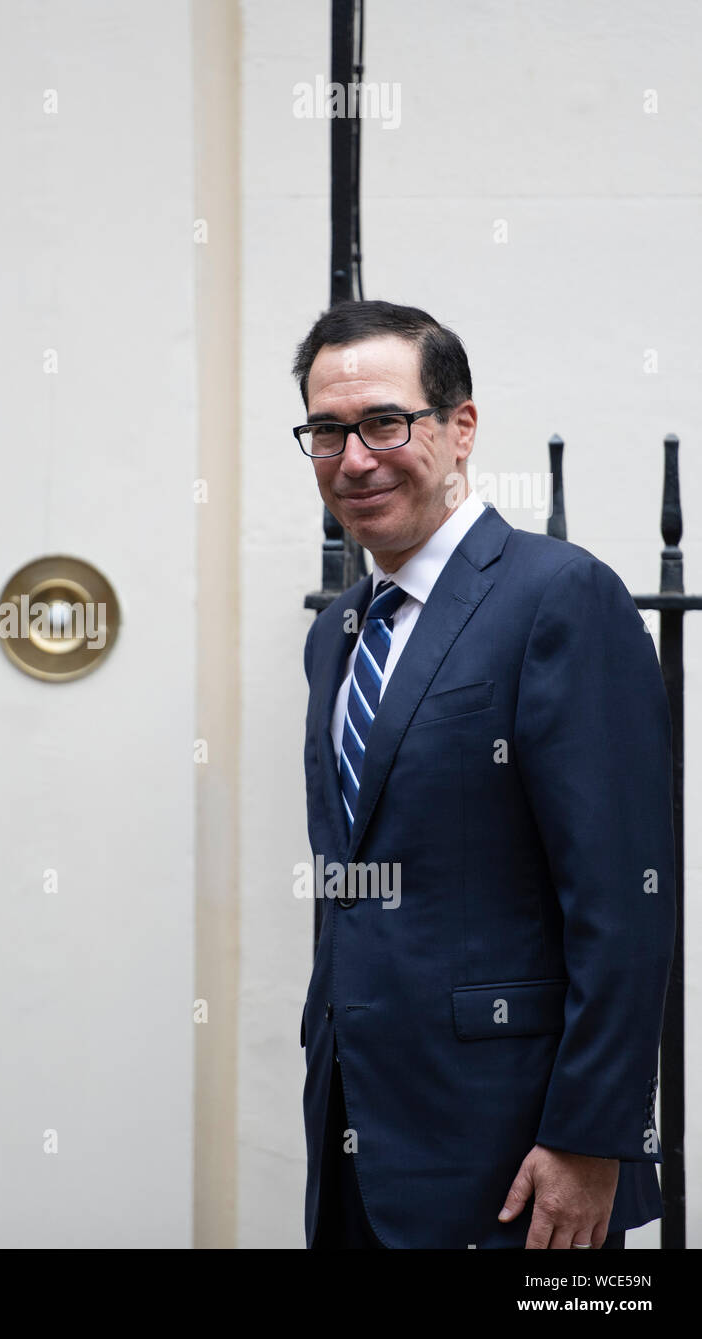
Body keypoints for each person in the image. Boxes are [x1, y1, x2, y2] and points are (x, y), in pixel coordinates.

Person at [293, 300, 674, 1249]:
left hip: (518, 1159)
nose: (354, 457)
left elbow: (623, 900)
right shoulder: (334, 636)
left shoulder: (559, 597)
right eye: (327, 431)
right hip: (356, 1133)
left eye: (385, 422)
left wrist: (592, 1136)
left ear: (461, 426)